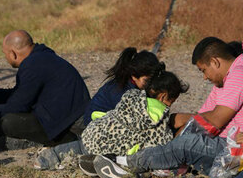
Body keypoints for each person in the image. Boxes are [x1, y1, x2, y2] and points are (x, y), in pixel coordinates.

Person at [92, 36, 243, 178]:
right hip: (227, 143)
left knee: (185, 145)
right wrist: (177, 132)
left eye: (204, 70)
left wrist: (181, 120)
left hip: (240, 150)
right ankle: (155, 165)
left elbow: (216, 120)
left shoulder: (241, 74)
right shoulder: (224, 80)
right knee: (182, 137)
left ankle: (123, 164)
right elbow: (199, 121)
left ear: (215, 62)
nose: (205, 77)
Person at [35, 67, 188, 170]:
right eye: (171, 102)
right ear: (163, 96)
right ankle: (88, 162)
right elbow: (161, 144)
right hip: (109, 151)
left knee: (79, 147)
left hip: (93, 133)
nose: (169, 107)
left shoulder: (131, 95)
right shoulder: (159, 116)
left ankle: (48, 157)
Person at [0, 30, 90, 146]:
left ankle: (66, 141)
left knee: (7, 122)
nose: (6, 57)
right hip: (70, 116)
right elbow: (21, 92)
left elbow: (18, 104)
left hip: (71, 125)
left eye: (5, 54)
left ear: (13, 54)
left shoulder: (32, 65)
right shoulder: (42, 57)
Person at [83, 47, 161, 125]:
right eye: (147, 80)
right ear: (134, 76)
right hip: (96, 127)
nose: (151, 84)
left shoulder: (131, 84)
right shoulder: (121, 91)